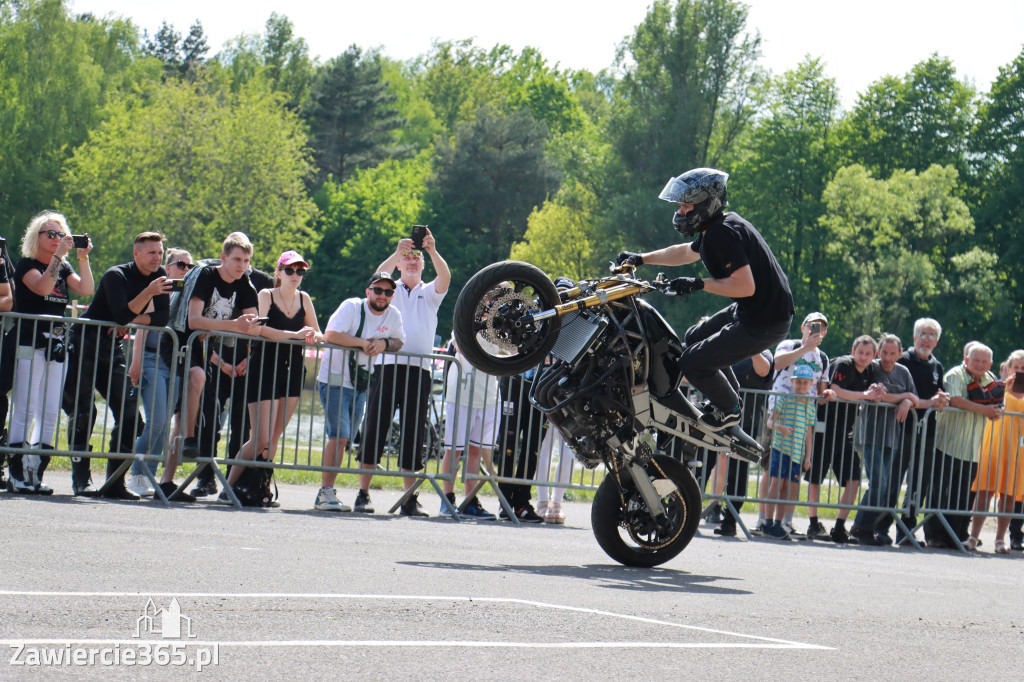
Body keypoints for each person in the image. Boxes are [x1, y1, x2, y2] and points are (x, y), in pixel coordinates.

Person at [616, 168, 793, 433]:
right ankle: (728, 397)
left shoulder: (722, 233)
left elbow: (745, 286)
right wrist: (641, 258)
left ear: (706, 204)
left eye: (686, 206)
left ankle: (730, 409)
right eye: (680, 206)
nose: (681, 213)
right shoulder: (717, 227)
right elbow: (685, 253)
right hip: (756, 311)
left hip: (765, 321)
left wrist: (697, 284)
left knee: (691, 362)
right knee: (694, 336)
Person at [62, 231, 168, 499]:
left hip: (112, 347)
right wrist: (147, 296)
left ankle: (115, 483)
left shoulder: (161, 275)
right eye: (152, 252)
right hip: (85, 342)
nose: (158, 258)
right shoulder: (115, 275)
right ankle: (81, 479)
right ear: (136, 254)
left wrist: (131, 320)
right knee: (84, 412)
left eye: (160, 252)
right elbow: (121, 314)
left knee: (132, 417)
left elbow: (162, 319)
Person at [356, 228, 450, 516]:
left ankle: (410, 498)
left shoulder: (428, 293)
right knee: (374, 428)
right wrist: (397, 251)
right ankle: (363, 493)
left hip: (418, 369)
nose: (411, 261)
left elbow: (445, 278)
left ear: (422, 265)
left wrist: (432, 250)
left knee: (413, 433)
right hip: (385, 366)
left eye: (416, 258)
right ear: (398, 264)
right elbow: (375, 278)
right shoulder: (389, 290)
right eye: (406, 258)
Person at [7, 212, 94, 494]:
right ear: (37, 237)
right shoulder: (27, 265)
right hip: (29, 342)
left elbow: (86, 289)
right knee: (25, 407)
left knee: (49, 410)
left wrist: (82, 257)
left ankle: (36, 471)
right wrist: (59, 256)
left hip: (57, 344)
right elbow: (43, 287)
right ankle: (17, 472)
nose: (56, 238)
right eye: (50, 234)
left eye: (60, 234)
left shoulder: (65, 266)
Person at [224, 251, 321, 493]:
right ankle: (228, 486)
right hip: (264, 366)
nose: (295, 275)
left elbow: (319, 333)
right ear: (278, 272)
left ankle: (261, 485)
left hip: (293, 369)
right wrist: (294, 335)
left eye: (300, 271)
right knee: (260, 438)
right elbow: (259, 329)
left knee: (274, 437)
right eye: (289, 270)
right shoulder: (266, 294)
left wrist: (311, 336)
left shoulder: (304, 298)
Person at [314, 272, 404, 512]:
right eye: (378, 290)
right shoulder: (351, 307)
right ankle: (325, 492)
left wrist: (384, 344)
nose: (382, 296)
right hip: (334, 380)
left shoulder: (393, 315)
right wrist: (362, 343)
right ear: (368, 292)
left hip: (361, 385)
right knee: (339, 436)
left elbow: (399, 341)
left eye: (388, 292)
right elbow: (330, 335)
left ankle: (327, 491)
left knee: (345, 439)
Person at [189, 254, 274, 497]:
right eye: (237, 258)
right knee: (209, 418)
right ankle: (205, 477)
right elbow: (202, 319)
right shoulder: (212, 275)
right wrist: (219, 361)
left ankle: (232, 480)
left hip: (247, 363)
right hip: (214, 359)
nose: (241, 264)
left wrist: (249, 358)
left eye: (246, 259)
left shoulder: (262, 282)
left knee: (242, 425)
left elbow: (263, 325)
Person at [126, 248, 195, 501]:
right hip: (151, 358)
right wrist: (136, 361)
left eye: (189, 266)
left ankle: (149, 476)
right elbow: (142, 326)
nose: (185, 270)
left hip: (173, 361)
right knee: (155, 421)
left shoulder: (189, 294)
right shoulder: (157, 289)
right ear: (168, 268)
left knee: (164, 425)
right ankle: (136, 474)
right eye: (180, 265)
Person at [926, 343, 1002, 548]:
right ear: (966, 359)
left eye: (984, 361)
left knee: (964, 495)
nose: (979, 364)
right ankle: (935, 536)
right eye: (975, 359)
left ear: (990, 363)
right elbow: (957, 400)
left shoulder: (991, 379)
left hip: (972, 450)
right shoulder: (955, 375)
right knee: (940, 492)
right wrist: (985, 410)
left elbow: (998, 403)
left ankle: (957, 535)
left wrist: (995, 411)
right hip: (948, 444)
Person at [884, 318, 950, 544]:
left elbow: (937, 396)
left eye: (932, 335)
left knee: (918, 485)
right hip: (900, 430)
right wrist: (906, 399)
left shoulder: (937, 366)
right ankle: (881, 529)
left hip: (927, 432)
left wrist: (941, 401)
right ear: (914, 337)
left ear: (937, 341)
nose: (927, 339)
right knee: (891, 481)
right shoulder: (902, 360)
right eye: (923, 334)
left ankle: (907, 530)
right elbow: (891, 389)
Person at [849, 334, 919, 546]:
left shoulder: (903, 372)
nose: (888, 357)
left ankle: (868, 528)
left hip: (892, 436)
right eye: (885, 353)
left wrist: (907, 400)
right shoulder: (873, 368)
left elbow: (914, 398)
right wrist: (904, 396)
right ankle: (860, 527)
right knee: (878, 483)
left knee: (886, 487)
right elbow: (877, 397)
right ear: (879, 352)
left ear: (900, 353)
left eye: (892, 353)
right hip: (871, 434)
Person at [766, 312, 830, 537]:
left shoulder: (822, 357)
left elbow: (821, 389)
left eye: (820, 328)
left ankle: (784, 522)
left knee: (790, 479)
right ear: (803, 327)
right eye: (812, 326)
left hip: (803, 417)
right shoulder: (788, 345)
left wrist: (827, 394)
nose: (815, 331)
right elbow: (776, 364)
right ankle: (765, 520)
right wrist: (804, 348)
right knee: (771, 471)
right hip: (779, 409)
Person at [823, 335, 887, 543]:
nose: (863, 356)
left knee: (854, 480)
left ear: (874, 355)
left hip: (847, 431)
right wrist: (866, 395)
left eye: (868, 354)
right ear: (853, 351)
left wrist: (878, 392)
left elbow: (875, 391)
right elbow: (837, 390)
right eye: (860, 352)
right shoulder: (843, 364)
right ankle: (812, 523)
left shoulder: (871, 370)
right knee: (814, 478)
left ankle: (839, 527)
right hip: (824, 428)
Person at [706, 350, 774, 537]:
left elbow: (763, 370)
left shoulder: (764, 351)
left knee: (739, 471)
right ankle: (687, 511)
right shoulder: (729, 342)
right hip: (717, 415)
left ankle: (730, 520)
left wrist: (753, 344)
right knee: (704, 463)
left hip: (745, 422)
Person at [966, 349, 1024, 553]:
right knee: (984, 491)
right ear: (1007, 369)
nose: (1019, 371)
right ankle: (973, 536)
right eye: (1016, 367)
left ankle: (1000, 539)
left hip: (1017, 450)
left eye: (1023, 368)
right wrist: (1005, 389)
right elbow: (992, 404)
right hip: (994, 444)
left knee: (1008, 495)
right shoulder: (997, 387)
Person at [438, 334, 500, 520]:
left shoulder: (498, 322)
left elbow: (513, 349)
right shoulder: (465, 318)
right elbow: (459, 344)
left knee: (476, 450)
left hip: (488, 393)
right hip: (461, 393)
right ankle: (447, 500)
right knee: (453, 450)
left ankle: (470, 501)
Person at [762, 364, 818, 540]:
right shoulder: (784, 399)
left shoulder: (810, 405)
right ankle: (768, 522)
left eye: (805, 383)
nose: (801, 386)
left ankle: (778, 523)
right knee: (776, 484)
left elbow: (809, 433)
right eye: (798, 382)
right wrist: (779, 427)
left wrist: (808, 457)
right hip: (780, 448)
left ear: (810, 384)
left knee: (788, 488)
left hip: (797, 453)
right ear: (793, 382)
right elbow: (770, 422)